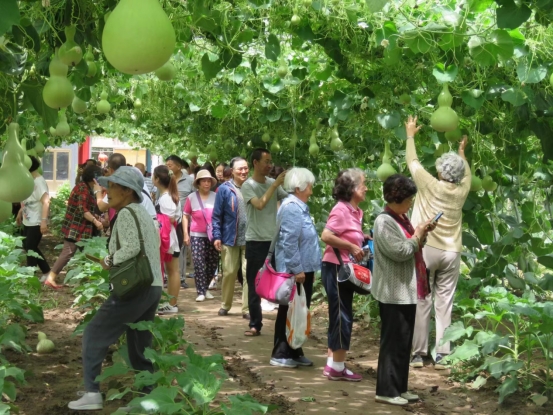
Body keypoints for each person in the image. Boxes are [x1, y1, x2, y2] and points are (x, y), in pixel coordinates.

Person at [67, 167, 162, 411]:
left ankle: (92, 393)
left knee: (94, 334)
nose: (107, 191)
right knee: (139, 345)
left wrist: (107, 261)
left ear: (127, 191)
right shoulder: (141, 212)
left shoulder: (127, 213)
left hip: (134, 288)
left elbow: (130, 249)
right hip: (152, 286)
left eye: (112, 186)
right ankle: (146, 399)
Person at [405, 116, 471, 370]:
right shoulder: (463, 189)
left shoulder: (430, 184)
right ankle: (444, 354)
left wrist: (410, 135)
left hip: (426, 249)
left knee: (422, 299)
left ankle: (419, 355)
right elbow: (467, 173)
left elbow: (412, 161)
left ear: (442, 172)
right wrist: (462, 154)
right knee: (445, 303)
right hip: (451, 252)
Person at [372, 174, 436, 406]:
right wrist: (417, 235)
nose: (411, 203)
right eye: (408, 199)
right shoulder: (384, 222)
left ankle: (400, 386)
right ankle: (386, 390)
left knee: (404, 340)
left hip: (404, 290)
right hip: (392, 291)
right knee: (393, 341)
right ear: (397, 198)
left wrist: (422, 234)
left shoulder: (400, 218)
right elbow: (400, 252)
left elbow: (412, 246)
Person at [320, 168, 368, 381]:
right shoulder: (341, 209)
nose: (366, 188)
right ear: (351, 189)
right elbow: (327, 235)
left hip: (345, 271)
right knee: (342, 317)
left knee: (340, 315)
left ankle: (333, 364)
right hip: (336, 268)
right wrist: (351, 246)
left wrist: (361, 239)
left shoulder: (356, 211)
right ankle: (337, 367)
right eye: (362, 184)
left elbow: (347, 234)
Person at [270, 168, 320, 368]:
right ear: (299, 187)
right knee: (289, 310)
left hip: (303, 269)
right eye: (309, 185)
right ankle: (281, 352)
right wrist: (297, 269)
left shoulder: (299, 206)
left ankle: (294, 349)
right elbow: (289, 242)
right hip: (294, 271)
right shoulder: (292, 207)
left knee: (299, 310)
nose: (311, 189)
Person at [241, 148, 287, 336]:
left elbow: (288, 198)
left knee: (280, 281)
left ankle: (284, 324)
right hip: (256, 241)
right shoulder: (248, 185)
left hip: (274, 240)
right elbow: (259, 205)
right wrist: (275, 185)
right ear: (255, 163)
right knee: (254, 284)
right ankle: (255, 323)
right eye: (266, 161)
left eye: (271, 161)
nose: (270, 165)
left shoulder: (271, 183)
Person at [44, 165, 104, 289]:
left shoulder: (86, 188)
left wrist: (97, 218)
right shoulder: (83, 188)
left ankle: (87, 281)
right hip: (76, 228)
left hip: (80, 228)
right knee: (68, 252)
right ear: (94, 178)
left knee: (87, 253)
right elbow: (83, 210)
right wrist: (95, 221)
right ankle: (51, 278)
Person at [212, 157, 250, 318]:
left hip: (250, 238)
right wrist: (217, 235)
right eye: (240, 169)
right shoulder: (224, 189)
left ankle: (247, 309)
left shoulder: (253, 187)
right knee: (229, 272)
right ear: (232, 171)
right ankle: (225, 305)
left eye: (246, 168)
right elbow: (216, 215)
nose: (243, 171)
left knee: (249, 273)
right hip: (229, 237)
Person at [183, 170, 219, 302]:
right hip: (197, 235)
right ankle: (201, 291)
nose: (207, 183)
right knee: (198, 263)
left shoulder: (216, 197)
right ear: (198, 183)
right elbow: (185, 215)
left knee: (212, 263)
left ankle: (205, 288)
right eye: (204, 181)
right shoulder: (192, 197)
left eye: (209, 181)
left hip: (213, 235)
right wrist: (186, 234)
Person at [152, 165, 181, 314]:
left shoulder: (166, 198)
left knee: (172, 271)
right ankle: (171, 303)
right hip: (169, 238)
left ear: (157, 179)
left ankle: (172, 304)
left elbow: (170, 219)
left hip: (167, 238)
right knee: (171, 272)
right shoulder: (167, 196)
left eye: (153, 176)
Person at [95, 154, 157, 222]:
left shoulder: (119, 184)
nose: (109, 191)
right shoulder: (133, 178)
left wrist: (97, 191)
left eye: (112, 186)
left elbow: (101, 207)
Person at [17, 156, 51, 280]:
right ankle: (46, 271)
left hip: (36, 220)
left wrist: (43, 221)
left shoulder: (39, 182)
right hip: (28, 219)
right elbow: (28, 199)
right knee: (28, 245)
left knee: (31, 247)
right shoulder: (30, 180)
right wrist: (20, 212)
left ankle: (30, 276)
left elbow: (46, 202)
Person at [164, 155, 194, 287]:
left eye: (170, 165)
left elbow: (194, 198)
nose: (168, 167)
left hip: (182, 219)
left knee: (181, 247)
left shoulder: (189, 181)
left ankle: (181, 278)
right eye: (167, 165)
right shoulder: (166, 180)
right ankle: (166, 276)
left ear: (179, 166)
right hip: (166, 219)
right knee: (166, 246)